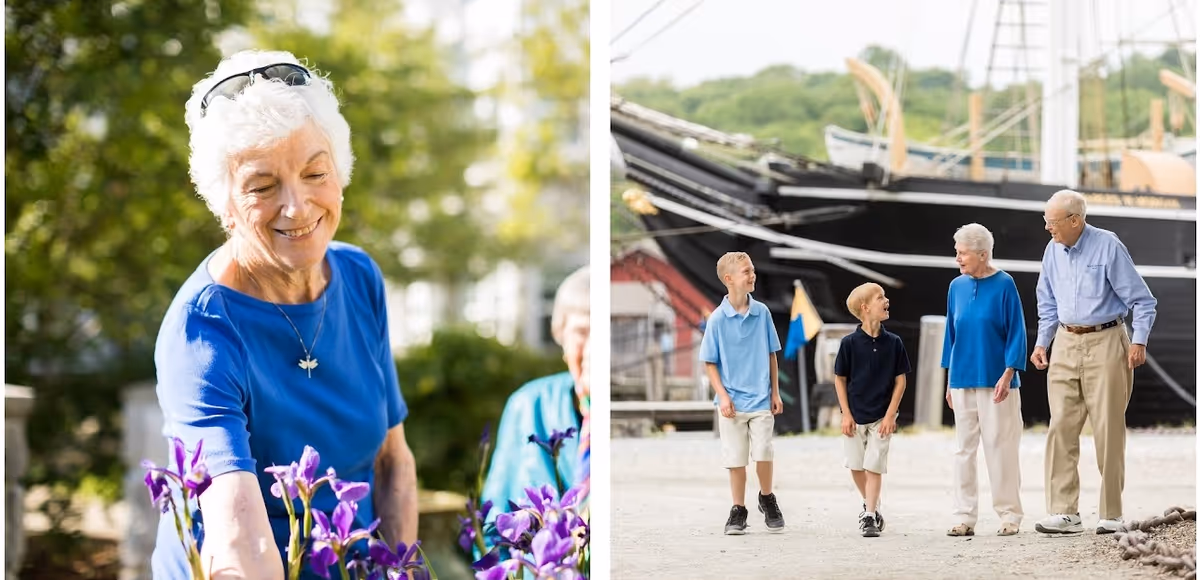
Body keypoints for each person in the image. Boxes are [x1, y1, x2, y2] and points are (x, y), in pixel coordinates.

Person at [152, 50, 417, 579]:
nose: (296, 207)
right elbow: (237, 533)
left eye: (315, 172)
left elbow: (393, 463)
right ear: (223, 203)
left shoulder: (359, 278)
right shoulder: (201, 331)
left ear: (339, 174)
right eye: (262, 186)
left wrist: (399, 569)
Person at [1030, 189, 1157, 535]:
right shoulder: (1052, 250)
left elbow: (1143, 301)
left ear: (1075, 220)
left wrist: (1140, 340)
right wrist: (1043, 341)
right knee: (1060, 429)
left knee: (1108, 429)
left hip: (1106, 341)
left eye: (1052, 222)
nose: (1047, 229)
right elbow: (1047, 301)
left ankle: (1112, 513)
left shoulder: (1108, 246)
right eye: (1046, 222)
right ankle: (1064, 512)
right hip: (1066, 343)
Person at [941, 223, 1027, 537]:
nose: (958, 259)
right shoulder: (956, 287)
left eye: (962, 254)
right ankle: (964, 517)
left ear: (982, 253)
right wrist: (949, 378)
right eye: (957, 253)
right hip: (962, 378)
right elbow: (951, 332)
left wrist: (1009, 372)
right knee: (963, 450)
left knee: (1000, 447)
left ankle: (1009, 516)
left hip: (998, 381)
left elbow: (1017, 330)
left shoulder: (1005, 284)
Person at [482, 265, 591, 510]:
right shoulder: (530, 403)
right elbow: (495, 513)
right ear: (560, 334)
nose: (595, 349)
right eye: (583, 331)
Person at [699, 252, 785, 535]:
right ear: (729, 279)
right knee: (736, 459)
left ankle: (767, 497)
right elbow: (709, 363)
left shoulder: (762, 313)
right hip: (732, 403)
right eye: (746, 271)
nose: (752, 275)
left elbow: (772, 354)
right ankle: (738, 509)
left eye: (752, 270)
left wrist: (775, 391)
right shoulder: (717, 320)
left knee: (763, 452)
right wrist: (722, 396)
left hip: (760, 397)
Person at [833, 282, 911, 538]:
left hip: (882, 415)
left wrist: (890, 415)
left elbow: (901, 380)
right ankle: (873, 505)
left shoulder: (895, 343)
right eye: (880, 297)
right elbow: (840, 378)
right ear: (866, 308)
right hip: (854, 415)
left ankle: (868, 516)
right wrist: (845, 413)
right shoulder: (849, 344)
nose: (886, 300)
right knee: (856, 465)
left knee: (874, 464)